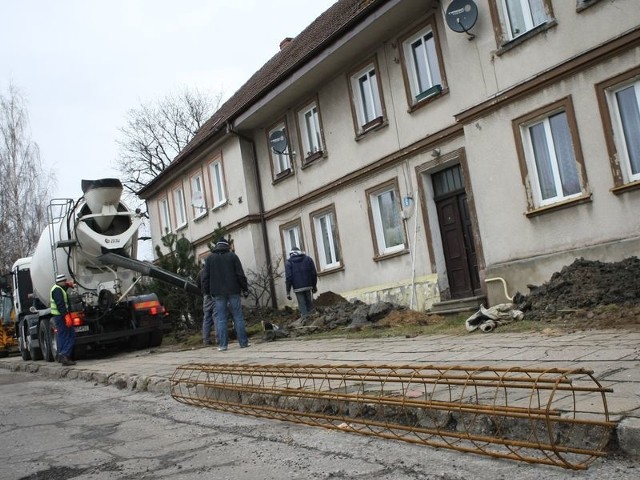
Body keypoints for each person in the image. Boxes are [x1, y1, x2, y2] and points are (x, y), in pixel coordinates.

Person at [202, 240, 250, 351]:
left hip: (218, 293)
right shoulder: (233, 257)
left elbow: (205, 277)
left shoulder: (210, 259)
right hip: (233, 291)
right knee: (238, 316)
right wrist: (245, 289)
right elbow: (240, 274)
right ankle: (243, 343)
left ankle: (223, 345)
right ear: (227, 246)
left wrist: (207, 292)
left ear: (217, 246)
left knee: (221, 318)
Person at [50, 273, 76, 366]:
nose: (65, 282)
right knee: (70, 336)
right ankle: (65, 355)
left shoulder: (57, 288)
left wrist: (68, 285)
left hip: (59, 316)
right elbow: (60, 304)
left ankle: (61, 355)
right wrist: (66, 316)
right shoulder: (57, 290)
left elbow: (62, 291)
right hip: (61, 316)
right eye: (64, 281)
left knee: (62, 336)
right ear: (60, 282)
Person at [285, 247, 318, 317]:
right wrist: (314, 286)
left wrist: (288, 292)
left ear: (291, 254)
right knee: (309, 303)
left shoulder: (289, 262)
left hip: (297, 288)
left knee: (302, 304)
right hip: (308, 285)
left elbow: (289, 278)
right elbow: (314, 274)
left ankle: (305, 320)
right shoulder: (308, 259)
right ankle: (312, 318)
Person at [197, 267, 216, 346]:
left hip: (206, 296)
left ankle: (206, 340)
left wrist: (203, 291)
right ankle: (219, 338)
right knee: (217, 317)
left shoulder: (201, 272)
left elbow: (198, 283)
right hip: (215, 295)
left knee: (207, 318)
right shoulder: (214, 270)